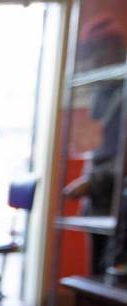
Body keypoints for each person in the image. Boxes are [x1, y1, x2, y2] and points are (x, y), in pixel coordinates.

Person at [63, 15, 124, 273]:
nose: (95, 59)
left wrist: (94, 180)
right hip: (99, 195)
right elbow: (97, 144)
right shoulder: (102, 91)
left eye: (100, 50)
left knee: (110, 272)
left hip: (117, 195)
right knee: (95, 271)